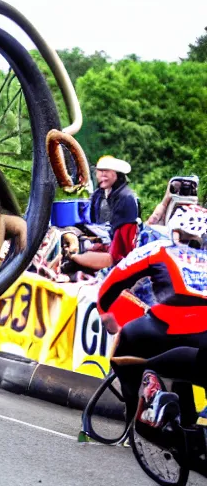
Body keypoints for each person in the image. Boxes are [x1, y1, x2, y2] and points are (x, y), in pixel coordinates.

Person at [98, 205, 207, 441]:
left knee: (125, 345)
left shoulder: (158, 248)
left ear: (173, 229)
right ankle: (193, 423)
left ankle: (132, 423)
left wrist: (106, 312)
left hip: (163, 327)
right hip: (203, 334)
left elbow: (113, 282)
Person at [68, 155, 139, 271]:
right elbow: (92, 220)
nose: (102, 175)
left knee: (77, 258)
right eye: (100, 172)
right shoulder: (98, 195)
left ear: (117, 174)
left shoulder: (126, 198)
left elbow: (121, 248)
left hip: (118, 252)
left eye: (106, 172)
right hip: (101, 238)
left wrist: (77, 257)